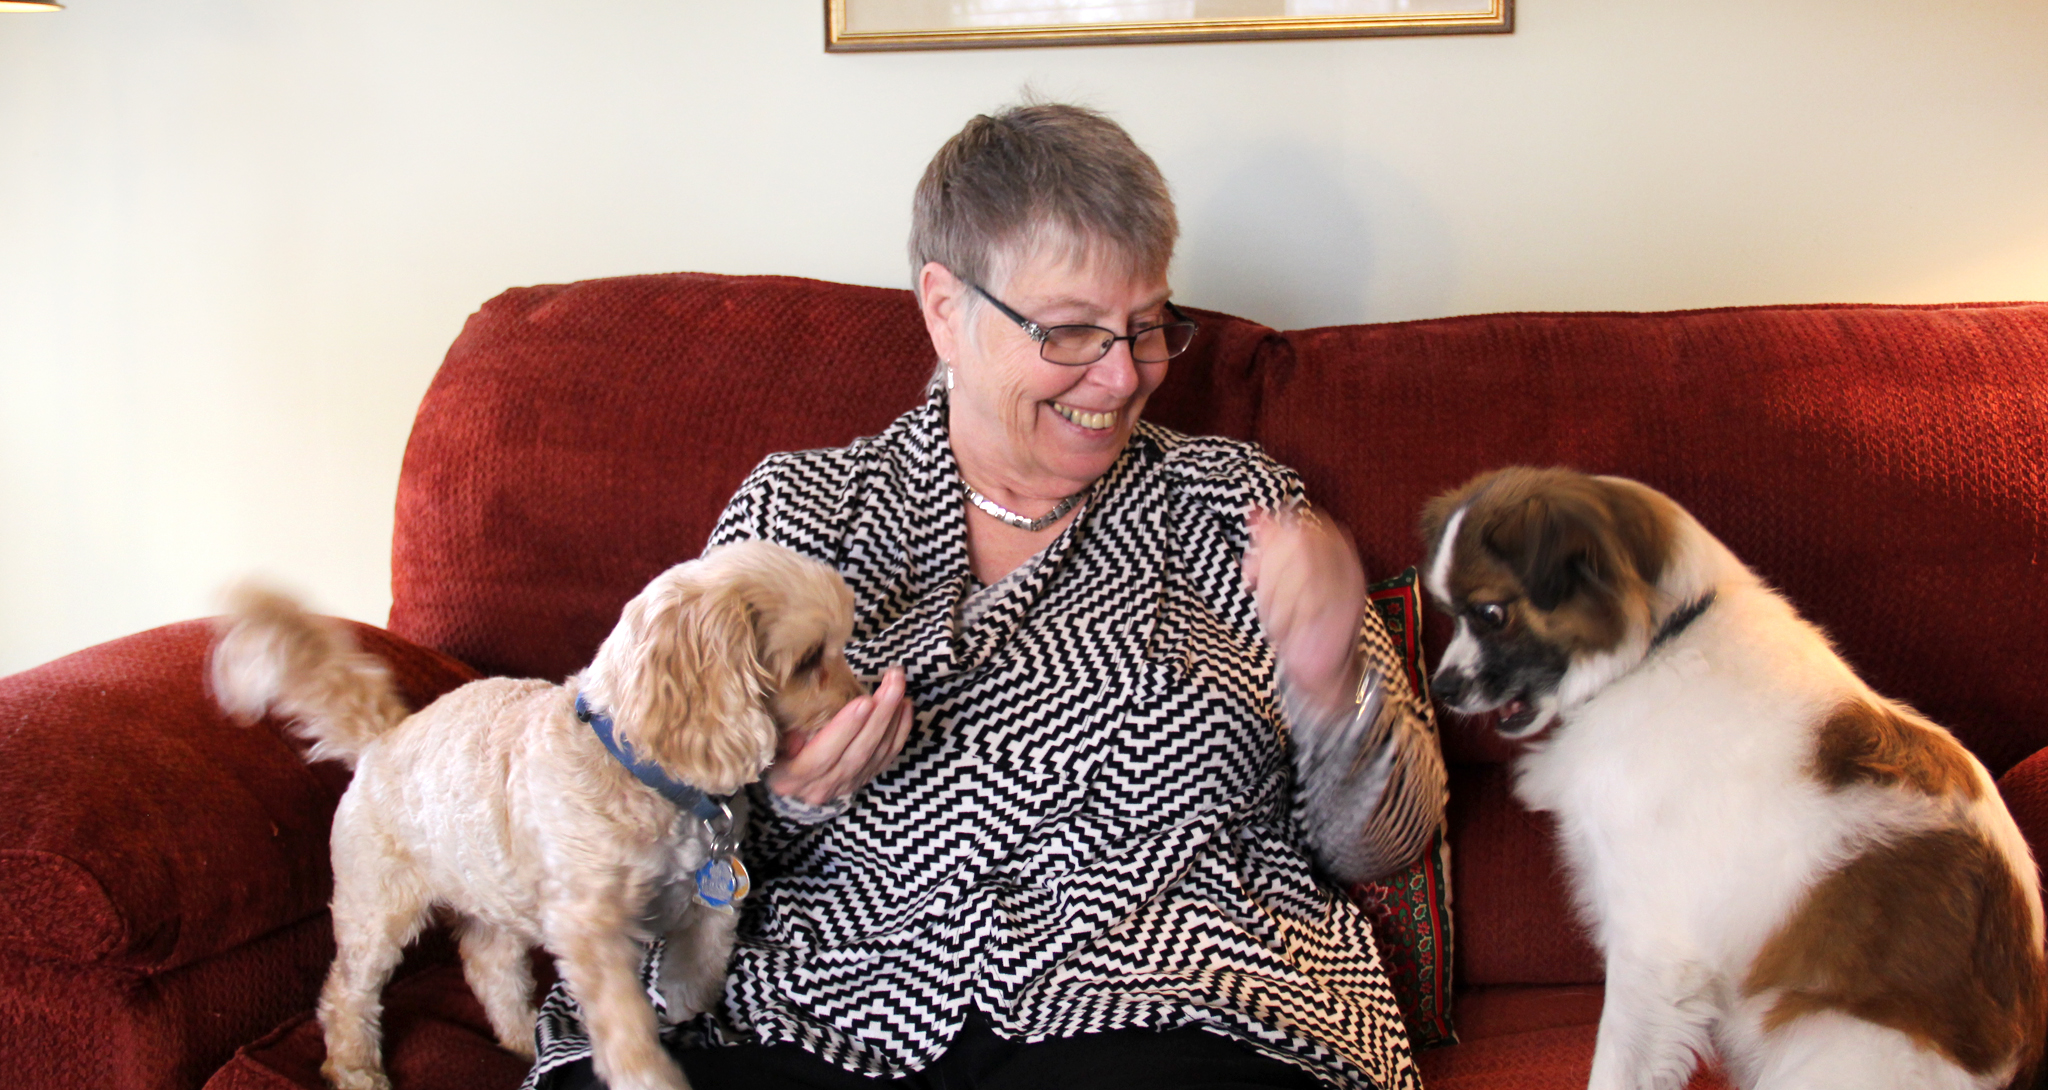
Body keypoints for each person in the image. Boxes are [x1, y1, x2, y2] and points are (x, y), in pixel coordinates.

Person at [528, 102, 1446, 1090]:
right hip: (817, 1006)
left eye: (1145, 327)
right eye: (1068, 332)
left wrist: (1328, 680)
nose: (1121, 375)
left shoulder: (1235, 504)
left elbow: (1384, 842)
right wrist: (778, 800)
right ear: (941, 307)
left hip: (1166, 996)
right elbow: (638, 798)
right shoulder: (798, 511)